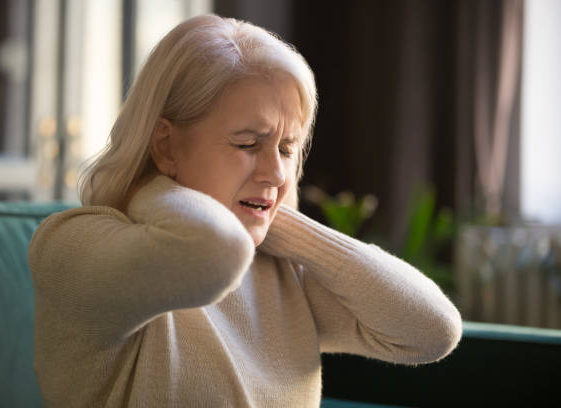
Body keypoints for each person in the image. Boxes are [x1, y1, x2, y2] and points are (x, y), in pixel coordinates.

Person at [28, 14, 462, 408]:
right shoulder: (73, 245)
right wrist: (148, 185)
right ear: (165, 145)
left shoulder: (280, 272)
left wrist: (280, 224)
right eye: (248, 144)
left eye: (287, 148)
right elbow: (212, 251)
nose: (277, 173)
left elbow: (433, 330)